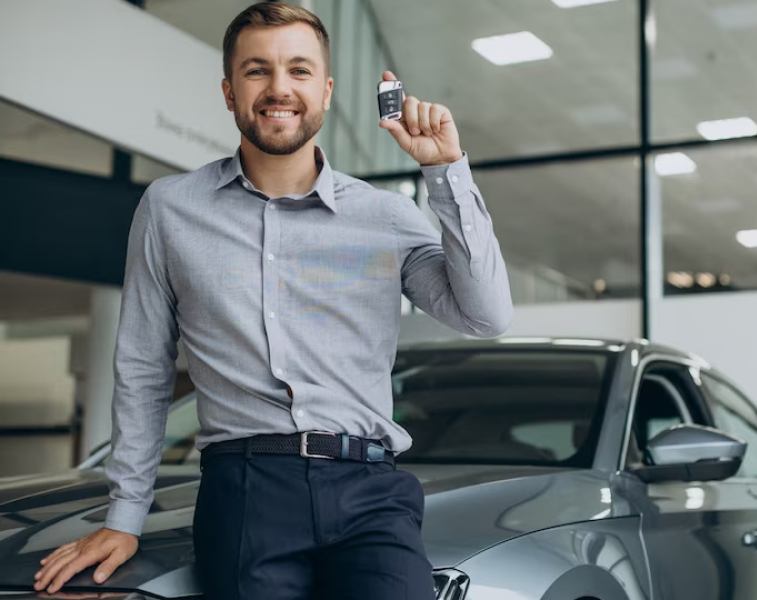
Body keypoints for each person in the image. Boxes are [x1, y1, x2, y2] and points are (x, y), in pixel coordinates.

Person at [33, 2, 512, 598]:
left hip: (370, 491)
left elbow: (485, 314)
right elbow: (142, 366)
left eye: (299, 70)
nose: (279, 88)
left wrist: (446, 173)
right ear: (230, 91)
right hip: (245, 491)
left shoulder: (386, 214)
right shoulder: (170, 208)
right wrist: (124, 517)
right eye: (257, 70)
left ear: (328, 90)